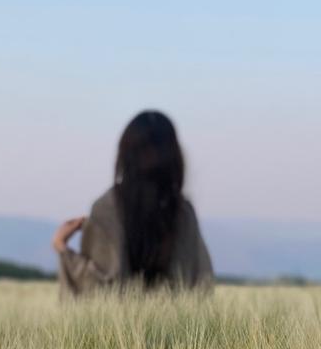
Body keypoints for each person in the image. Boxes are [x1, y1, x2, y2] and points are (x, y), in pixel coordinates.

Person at [54, 111, 214, 294]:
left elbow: (97, 288)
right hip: (179, 314)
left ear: (125, 155)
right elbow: (201, 284)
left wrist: (61, 247)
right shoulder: (184, 213)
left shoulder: (107, 209)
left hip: (117, 316)